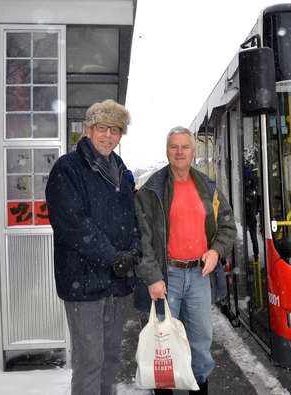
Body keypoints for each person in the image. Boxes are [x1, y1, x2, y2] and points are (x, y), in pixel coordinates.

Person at [45, 99, 141, 395]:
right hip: (83, 281)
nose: (108, 135)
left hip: (117, 282)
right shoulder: (68, 168)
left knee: (111, 358)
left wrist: (134, 250)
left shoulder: (120, 169)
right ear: (88, 130)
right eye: (102, 127)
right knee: (90, 361)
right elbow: (72, 224)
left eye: (116, 129)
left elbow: (132, 216)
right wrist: (114, 258)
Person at [134, 126, 237, 395]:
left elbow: (228, 226)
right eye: (174, 147)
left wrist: (215, 251)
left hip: (200, 275)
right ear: (167, 151)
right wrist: (152, 276)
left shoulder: (208, 187)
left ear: (193, 151)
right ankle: (163, 388)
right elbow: (141, 238)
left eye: (185, 147)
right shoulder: (151, 191)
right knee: (163, 341)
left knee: (201, 341)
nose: (180, 152)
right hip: (167, 276)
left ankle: (199, 387)